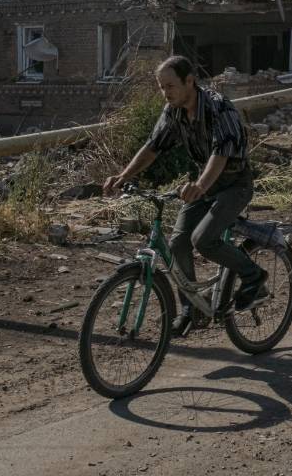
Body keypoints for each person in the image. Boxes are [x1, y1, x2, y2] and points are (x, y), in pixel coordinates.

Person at [103, 55, 267, 336]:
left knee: (203, 240)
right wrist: (123, 177)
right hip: (204, 184)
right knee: (178, 242)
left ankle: (253, 275)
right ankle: (192, 309)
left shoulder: (218, 107)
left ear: (189, 81)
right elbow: (153, 146)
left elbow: (222, 153)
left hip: (234, 184)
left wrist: (200, 186)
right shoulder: (173, 111)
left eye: (170, 85)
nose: (165, 93)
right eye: (161, 87)